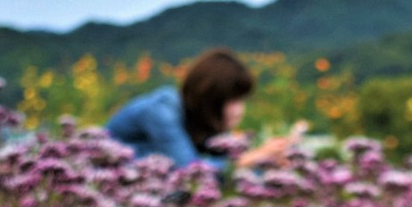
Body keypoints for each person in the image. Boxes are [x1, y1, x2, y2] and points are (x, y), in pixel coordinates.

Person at [106, 47, 296, 170]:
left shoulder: (199, 121)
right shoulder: (161, 112)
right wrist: (251, 159)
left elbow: (228, 170)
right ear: (211, 97)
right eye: (234, 100)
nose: (239, 110)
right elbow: (191, 172)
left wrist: (266, 162)